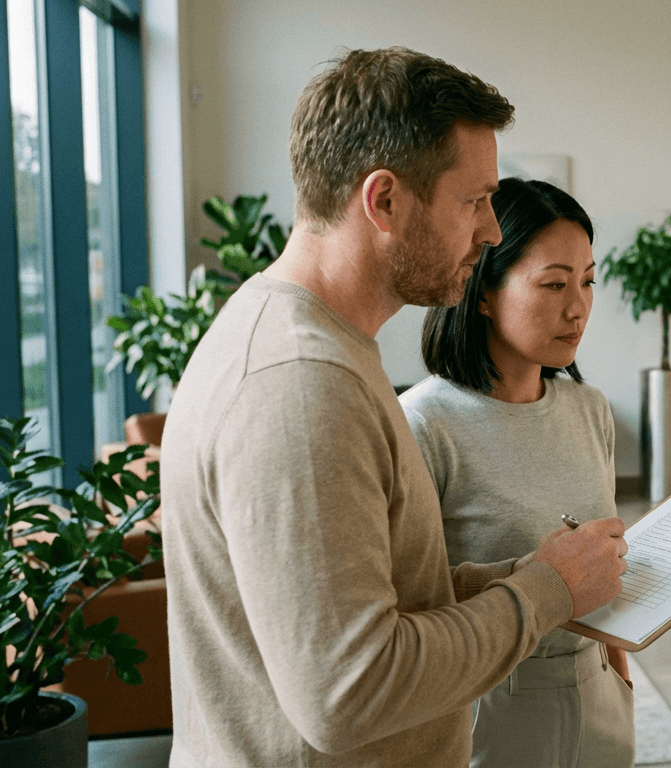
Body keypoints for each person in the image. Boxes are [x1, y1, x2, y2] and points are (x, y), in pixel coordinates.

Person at [160, 48, 628, 767]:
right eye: (474, 201)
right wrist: (545, 592)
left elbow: (381, 596)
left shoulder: (316, 345)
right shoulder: (300, 383)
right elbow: (350, 692)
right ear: (384, 201)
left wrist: (519, 577)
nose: (491, 231)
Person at [400, 177, 634, 767]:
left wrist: (620, 680)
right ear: (482, 289)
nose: (577, 307)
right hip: (487, 699)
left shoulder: (589, 409)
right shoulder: (424, 422)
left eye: (587, 282)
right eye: (553, 283)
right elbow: (407, 599)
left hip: (597, 683)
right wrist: (529, 577)